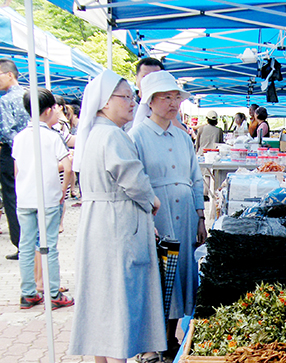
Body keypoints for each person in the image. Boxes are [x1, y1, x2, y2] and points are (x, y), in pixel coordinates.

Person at [69, 70, 166, 363]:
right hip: (117, 224)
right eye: (125, 97)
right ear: (104, 102)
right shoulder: (113, 135)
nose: (132, 103)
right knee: (120, 300)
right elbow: (133, 179)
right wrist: (152, 200)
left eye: (132, 97)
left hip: (99, 221)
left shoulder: (96, 134)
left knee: (102, 299)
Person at [128, 70, 207, 360]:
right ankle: (155, 342)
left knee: (181, 274)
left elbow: (196, 176)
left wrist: (200, 217)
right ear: (150, 101)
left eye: (176, 97)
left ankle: (173, 338)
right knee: (160, 279)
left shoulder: (183, 136)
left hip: (185, 214)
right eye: (166, 98)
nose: (173, 103)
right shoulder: (136, 136)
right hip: (158, 216)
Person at [13, 88, 74, 310]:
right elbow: (67, 167)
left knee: (26, 245)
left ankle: (27, 293)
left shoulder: (19, 138)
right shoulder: (51, 136)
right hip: (48, 198)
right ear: (48, 110)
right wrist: (62, 191)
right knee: (48, 246)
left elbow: (16, 169)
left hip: (25, 198)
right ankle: (53, 292)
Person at [0, 59, 26, 260]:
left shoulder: (4, 100)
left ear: (9, 75)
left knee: (11, 198)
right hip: (33, 153)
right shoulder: (30, 94)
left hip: (11, 154)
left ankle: (20, 243)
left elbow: (6, 131)